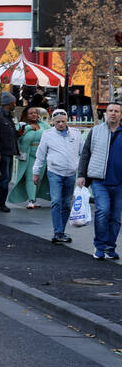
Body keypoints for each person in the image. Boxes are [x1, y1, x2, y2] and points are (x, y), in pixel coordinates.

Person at [76, 101, 122, 260]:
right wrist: (81, 174)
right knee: (102, 211)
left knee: (115, 217)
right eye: (110, 110)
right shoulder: (96, 131)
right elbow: (85, 154)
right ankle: (100, 246)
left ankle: (110, 247)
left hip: (119, 183)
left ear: (121, 115)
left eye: (116, 111)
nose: (113, 113)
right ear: (106, 113)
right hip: (99, 181)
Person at [33, 109, 83, 244]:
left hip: (71, 173)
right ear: (52, 122)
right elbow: (40, 155)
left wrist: (83, 173)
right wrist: (36, 172)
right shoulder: (47, 135)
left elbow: (83, 153)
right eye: (57, 122)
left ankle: (61, 230)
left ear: (67, 121)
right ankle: (58, 232)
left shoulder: (76, 134)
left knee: (67, 203)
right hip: (54, 172)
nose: (60, 124)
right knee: (56, 201)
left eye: (63, 121)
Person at [9, 105, 50, 208]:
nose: (33, 115)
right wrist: (27, 128)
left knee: (38, 177)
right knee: (30, 177)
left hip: (42, 156)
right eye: (31, 113)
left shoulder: (44, 125)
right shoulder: (22, 125)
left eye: (35, 113)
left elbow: (51, 135)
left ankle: (34, 199)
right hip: (28, 156)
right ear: (26, 115)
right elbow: (17, 137)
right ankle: (31, 200)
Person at [0, 92, 19, 212]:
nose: (15, 105)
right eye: (14, 103)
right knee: (5, 179)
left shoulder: (7, 116)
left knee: (5, 178)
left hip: (9, 151)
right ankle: (1, 203)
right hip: (2, 153)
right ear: (9, 103)